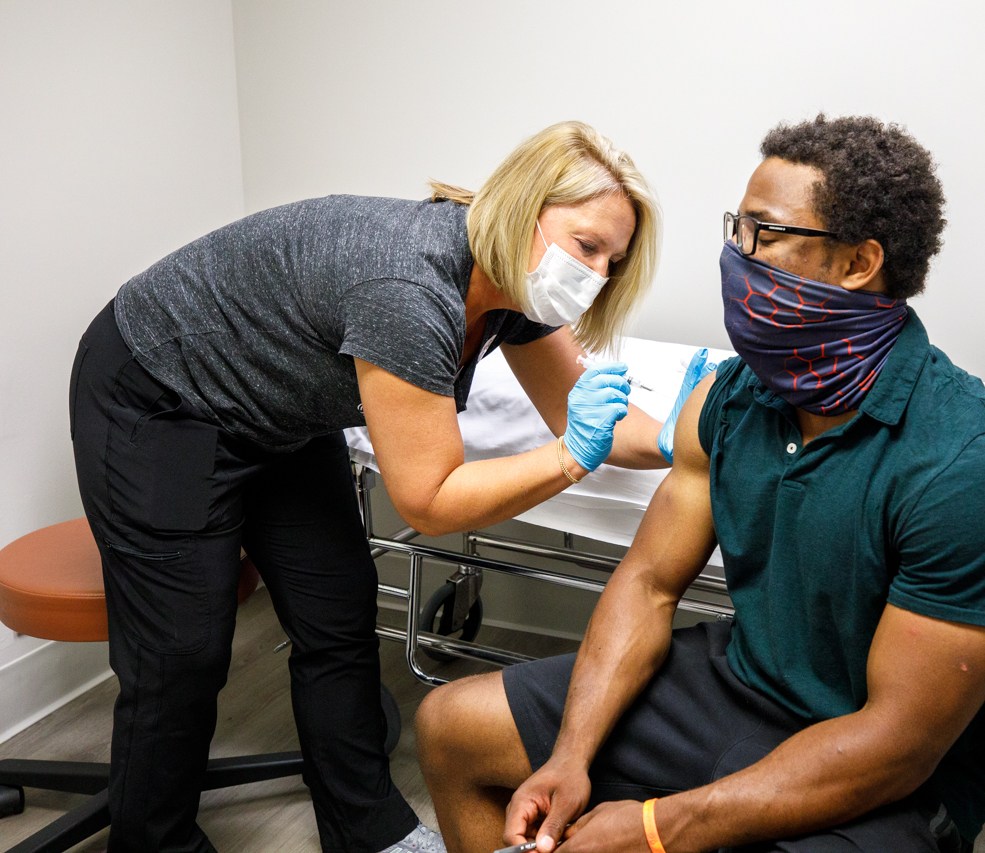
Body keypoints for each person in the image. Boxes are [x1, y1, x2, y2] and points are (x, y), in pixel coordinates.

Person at [416, 115, 985, 853]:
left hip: (879, 764)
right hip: (734, 686)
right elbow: (650, 582)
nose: (736, 256)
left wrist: (657, 826)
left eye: (764, 234)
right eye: (736, 229)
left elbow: (896, 742)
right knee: (452, 726)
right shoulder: (735, 395)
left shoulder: (974, 465)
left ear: (858, 263)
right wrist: (571, 753)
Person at [69, 121, 707, 853]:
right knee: (181, 655)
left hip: (279, 408)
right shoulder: (407, 286)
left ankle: (366, 830)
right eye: (586, 245)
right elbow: (430, 501)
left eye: (611, 260)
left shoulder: (518, 290)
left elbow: (580, 410)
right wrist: (569, 459)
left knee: (338, 613)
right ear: (523, 208)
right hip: (163, 393)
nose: (594, 273)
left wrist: (676, 434)